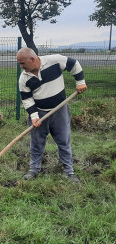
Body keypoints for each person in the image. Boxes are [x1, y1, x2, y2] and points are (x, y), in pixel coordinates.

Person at [17, 47, 87, 182]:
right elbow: (27, 99)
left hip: (59, 110)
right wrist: (34, 116)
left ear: (32, 59)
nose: (21, 66)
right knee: (36, 143)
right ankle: (34, 170)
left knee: (64, 141)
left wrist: (80, 82)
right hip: (40, 112)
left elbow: (73, 64)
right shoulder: (24, 78)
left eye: (22, 63)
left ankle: (69, 172)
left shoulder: (54, 61)